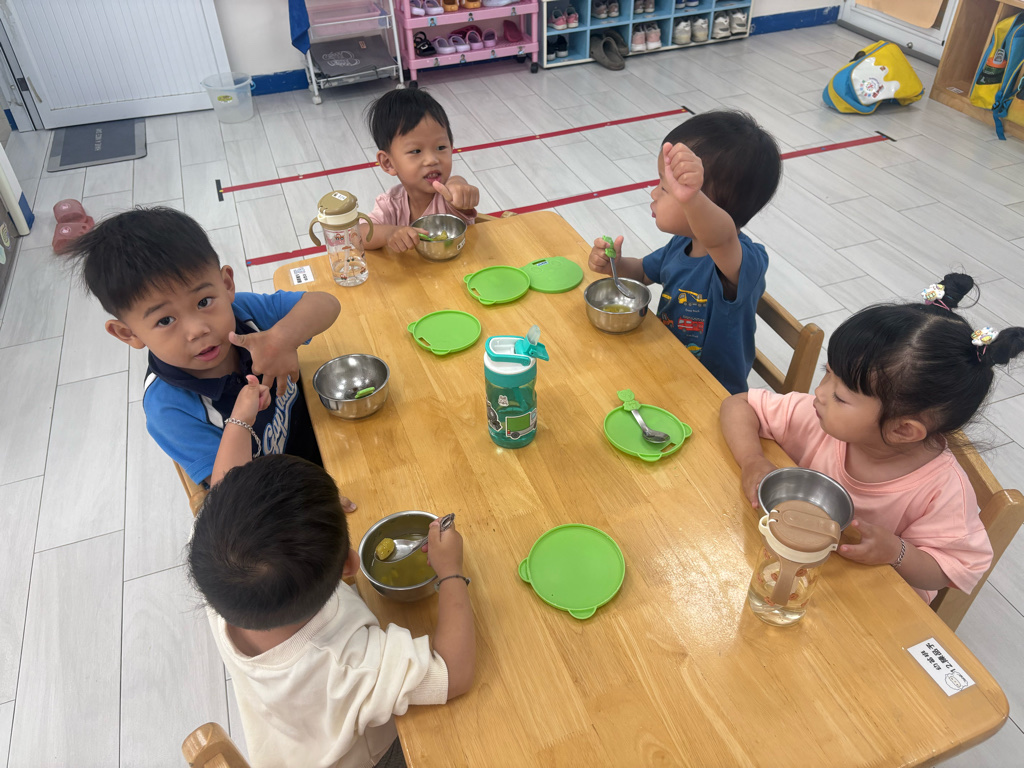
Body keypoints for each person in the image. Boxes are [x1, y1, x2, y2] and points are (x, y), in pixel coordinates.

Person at [719, 273, 1024, 603]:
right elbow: (738, 405)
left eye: (840, 396)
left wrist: (897, 552)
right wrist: (752, 459)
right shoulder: (816, 416)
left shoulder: (942, 491)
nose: (819, 393)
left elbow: (953, 569)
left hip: (866, 601)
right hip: (783, 560)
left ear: (902, 430)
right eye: (827, 373)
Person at [189, 455, 475, 768]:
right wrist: (451, 572)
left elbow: (225, 490)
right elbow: (453, 674)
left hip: (288, 746)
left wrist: (304, 508)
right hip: (367, 758)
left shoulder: (216, 575)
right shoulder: (348, 663)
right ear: (350, 565)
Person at [66, 207, 341, 486]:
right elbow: (232, 493)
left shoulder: (243, 312)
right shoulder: (169, 408)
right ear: (128, 334)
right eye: (165, 320)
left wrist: (282, 338)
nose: (197, 330)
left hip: (326, 431)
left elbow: (326, 304)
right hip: (282, 490)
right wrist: (240, 422)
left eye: (203, 302)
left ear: (226, 284)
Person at [588, 110, 782, 395]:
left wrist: (691, 197)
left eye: (665, 189)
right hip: (668, 368)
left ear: (706, 204)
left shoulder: (743, 262)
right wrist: (613, 265)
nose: (654, 193)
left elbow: (722, 237)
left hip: (712, 395)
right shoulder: (681, 244)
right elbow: (641, 272)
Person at [364, 88, 480, 253]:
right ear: (388, 163)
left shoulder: (450, 197)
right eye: (416, 151)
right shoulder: (391, 203)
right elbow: (359, 234)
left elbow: (456, 185)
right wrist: (389, 233)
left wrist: (461, 188)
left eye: (441, 147)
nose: (432, 160)